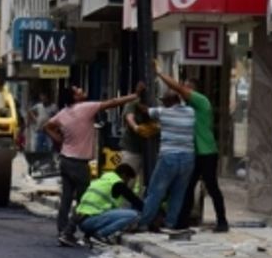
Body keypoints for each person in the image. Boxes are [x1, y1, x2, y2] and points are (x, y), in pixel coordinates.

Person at [45, 84, 144, 247]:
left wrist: (60, 140)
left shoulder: (62, 113)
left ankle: (62, 230)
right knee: (85, 200)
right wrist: (134, 96)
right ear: (74, 97)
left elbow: (47, 126)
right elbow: (112, 102)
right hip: (78, 162)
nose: (82, 91)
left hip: (65, 159)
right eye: (78, 90)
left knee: (66, 199)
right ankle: (69, 232)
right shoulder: (86, 108)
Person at [157, 65, 229, 232]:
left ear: (194, 90)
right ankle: (182, 221)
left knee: (211, 187)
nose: (184, 91)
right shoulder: (189, 108)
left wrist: (160, 72)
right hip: (195, 152)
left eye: (187, 88)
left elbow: (177, 88)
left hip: (207, 152)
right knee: (187, 186)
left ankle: (222, 221)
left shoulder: (201, 101)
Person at [127, 87, 196, 231]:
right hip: (188, 157)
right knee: (178, 192)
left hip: (168, 156)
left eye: (164, 101)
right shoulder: (191, 112)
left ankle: (143, 222)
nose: (163, 104)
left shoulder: (164, 113)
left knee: (156, 191)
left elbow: (145, 110)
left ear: (170, 102)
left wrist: (136, 98)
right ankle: (170, 223)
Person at [73, 163, 144, 245]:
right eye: (128, 179)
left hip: (81, 221)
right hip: (90, 221)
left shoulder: (104, 179)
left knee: (113, 212)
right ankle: (100, 234)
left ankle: (90, 235)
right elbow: (134, 199)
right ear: (124, 175)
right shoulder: (118, 183)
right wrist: (149, 213)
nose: (127, 182)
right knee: (133, 215)